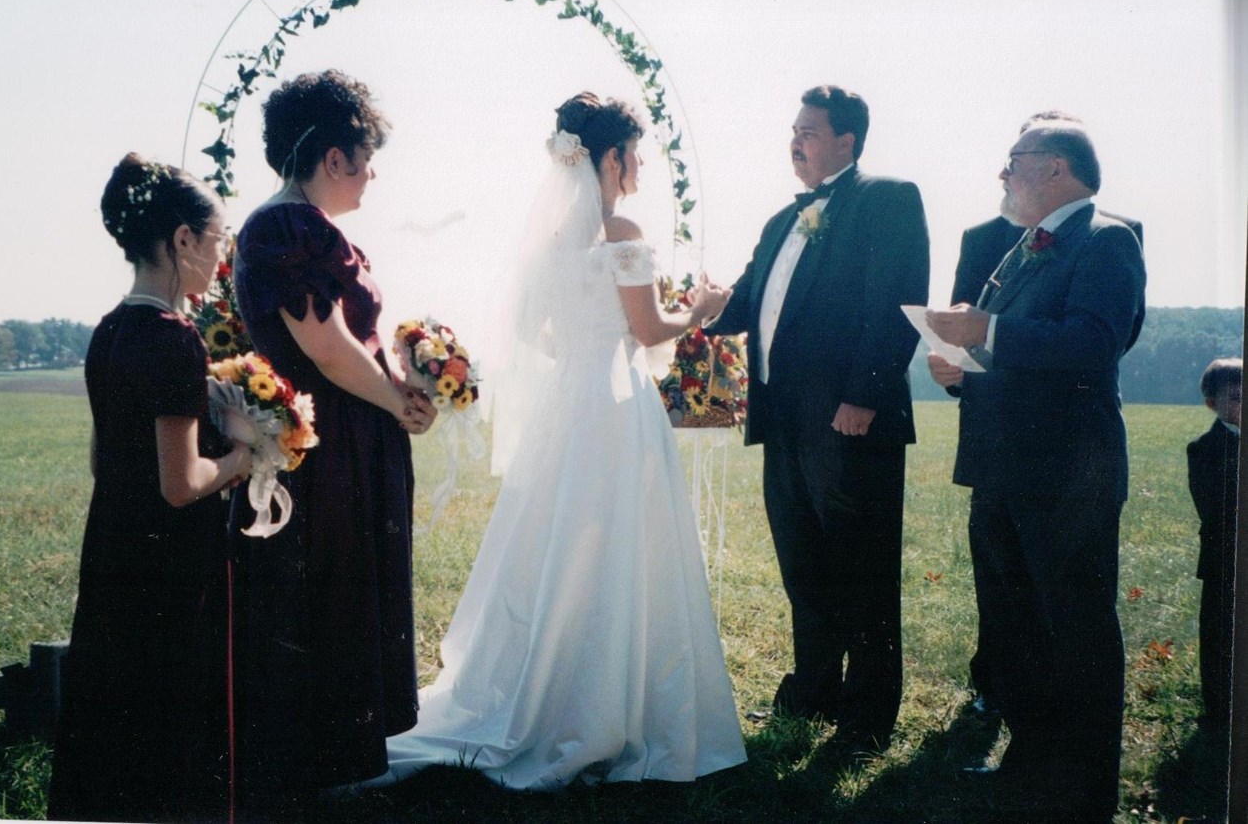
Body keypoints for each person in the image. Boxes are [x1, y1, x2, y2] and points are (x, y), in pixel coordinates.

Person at [370, 92, 746, 791]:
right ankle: (611, 703)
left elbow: (529, 331)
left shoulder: (548, 245)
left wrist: (581, 344)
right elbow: (649, 329)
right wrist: (700, 309)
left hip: (570, 400)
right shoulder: (621, 229)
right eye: (634, 155)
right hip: (616, 403)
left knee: (560, 538)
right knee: (620, 539)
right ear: (611, 158)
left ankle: (544, 682)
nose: (639, 167)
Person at [228, 70, 436, 812]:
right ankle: (323, 764)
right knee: (329, 591)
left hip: (348, 433)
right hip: (327, 443)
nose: (372, 173)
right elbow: (326, 346)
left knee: (346, 587)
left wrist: (405, 381)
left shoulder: (305, 227)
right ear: (335, 156)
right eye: (366, 157)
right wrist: (397, 403)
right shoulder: (285, 228)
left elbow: (356, 343)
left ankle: (342, 756)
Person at [926, 120, 1145, 820]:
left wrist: (985, 331)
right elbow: (1013, 350)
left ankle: (1082, 793)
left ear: (1056, 168)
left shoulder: (1107, 240)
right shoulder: (1022, 246)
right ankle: (1030, 771)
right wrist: (961, 368)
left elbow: (1092, 343)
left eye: (1013, 161)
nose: (1002, 173)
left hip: (1067, 474)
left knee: (1074, 630)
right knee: (1016, 627)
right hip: (1002, 470)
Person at [706, 85, 929, 752]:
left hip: (849, 420)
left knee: (863, 573)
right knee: (803, 565)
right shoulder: (783, 219)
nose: (795, 141)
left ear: (846, 140)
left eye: (808, 131)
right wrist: (694, 307)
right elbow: (745, 303)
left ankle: (867, 718)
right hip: (783, 423)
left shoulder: (888, 198)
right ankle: (813, 692)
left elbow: (898, 301)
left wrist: (864, 396)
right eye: (793, 130)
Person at [48, 154, 252, 823]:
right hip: (170, 566)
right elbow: (181, 483)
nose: (220, 260)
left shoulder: (108, 330)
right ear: (183, 240)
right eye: (217, 241)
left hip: (114, 550)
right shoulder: (174, 340)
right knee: (169, 730)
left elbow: (101, 457)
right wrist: (244, 456)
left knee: (112, 723)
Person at [1187, 357, 1240, 730]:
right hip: (1225, 556)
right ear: (1212, 404)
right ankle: (1220, 710)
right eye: (1236, 398)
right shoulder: (1204, 448)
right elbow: (1212, 507)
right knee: (1220, 635)